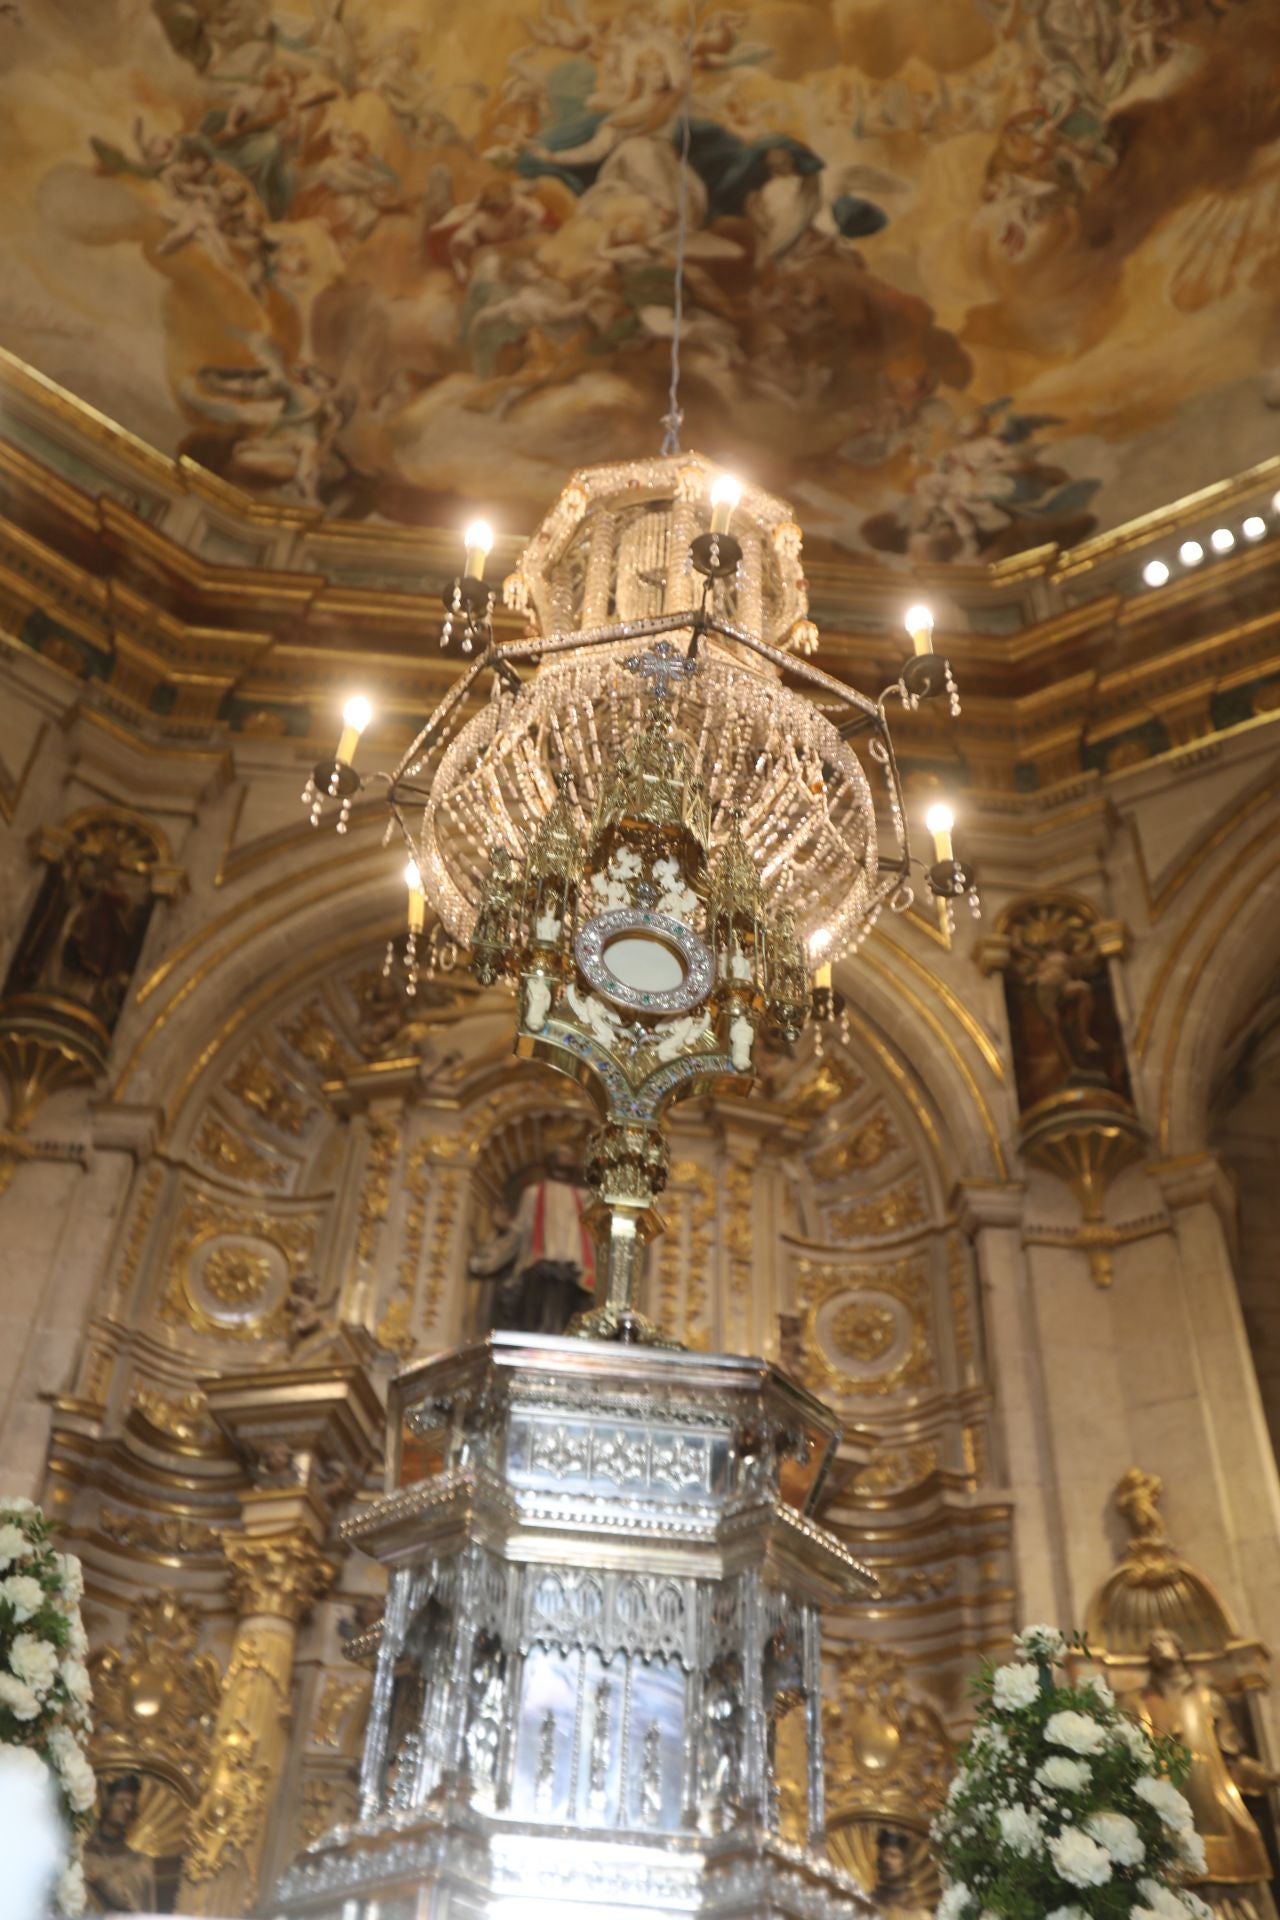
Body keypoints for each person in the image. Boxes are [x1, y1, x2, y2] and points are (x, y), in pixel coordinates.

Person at [1123, 1631, 1279, 1920]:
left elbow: (1232, 1758)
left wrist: (1266, 1777)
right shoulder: (1137, 1701)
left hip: (1214, 1800)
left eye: (1163, 1639)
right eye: (1152, 1643)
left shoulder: (1208, 1697)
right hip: (1166, 1807)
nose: (1157, 1645)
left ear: (1180, 1649)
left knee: (1235, 1881)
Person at [83, 1773, 157, 1915]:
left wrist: (105, 1882)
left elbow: (141, 1912)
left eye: (131, 1803)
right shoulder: (83, 1856)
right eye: (121, 1802)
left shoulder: (140, 1864)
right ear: (107, 1804)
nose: (127, 1808)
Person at [873, 1826, 934, 1920]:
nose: (887, 1860)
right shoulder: (870, 1901)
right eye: (884, 1855)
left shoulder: (922, 1915)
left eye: (893, 1855)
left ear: (907, 1862)